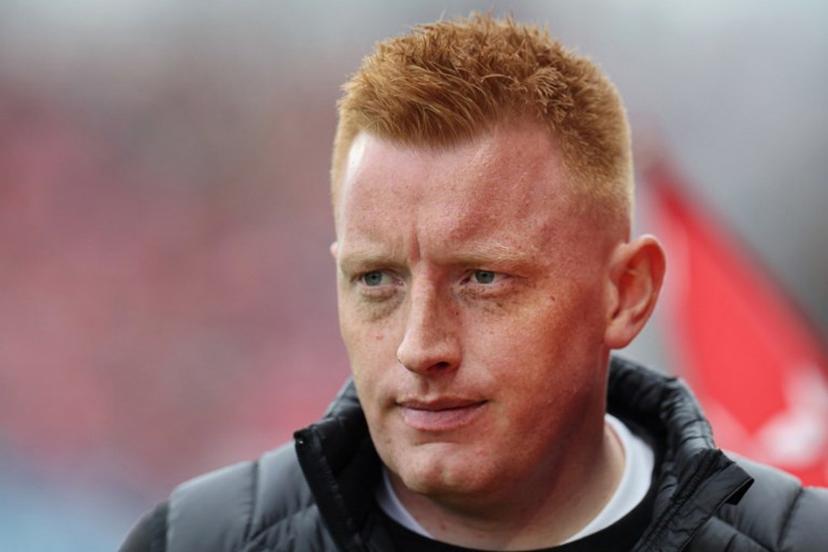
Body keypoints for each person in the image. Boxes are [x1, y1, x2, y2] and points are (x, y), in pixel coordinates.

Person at [120, 14, 827, 552]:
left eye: (483, 278)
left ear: (626, 293)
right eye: (376, 280)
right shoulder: (195, 540)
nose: (420, 346)